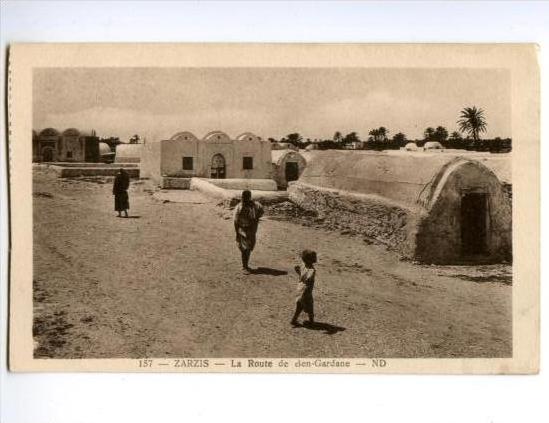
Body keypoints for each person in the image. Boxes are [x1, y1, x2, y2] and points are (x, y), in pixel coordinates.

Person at [233, 190, 264, 272]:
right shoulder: (239, 207)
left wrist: (255, 219)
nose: (244, 199)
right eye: (243, 198)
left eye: (246, 198)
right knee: (244, 249)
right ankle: (244, 266)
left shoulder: (256, 206)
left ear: (249, 197)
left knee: (249, 248)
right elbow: (236, 222)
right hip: (243, 230)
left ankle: (246, 265)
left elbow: (261, 212)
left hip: (252, 230)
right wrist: (237, 233)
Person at [291, 249, 317, 326]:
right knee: (309, 306)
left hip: (300, 288)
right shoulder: (312, 270)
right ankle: (311, 321)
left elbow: (301, 275)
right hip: (306, 290)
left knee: (299, 305)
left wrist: (298, 271)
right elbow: (308, 279)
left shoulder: (303, 266)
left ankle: (294, 319)